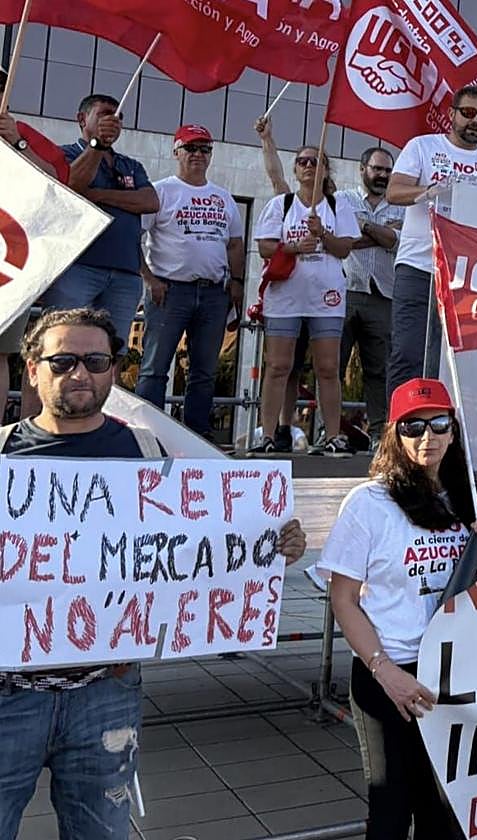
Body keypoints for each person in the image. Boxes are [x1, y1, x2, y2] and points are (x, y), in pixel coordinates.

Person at [0, 307, 306, 837]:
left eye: (96, 361)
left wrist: (270, 542)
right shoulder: (2, 452)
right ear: (32, 369)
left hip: (107, 691)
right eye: (63, 360)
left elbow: (199, 542)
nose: (80, 374)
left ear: (114, 369)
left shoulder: (148, 452)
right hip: (8, 695)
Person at [319, 377, 477, 839]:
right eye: (412, 427)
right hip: (387, 671)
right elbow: (343, 598)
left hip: (451, 674)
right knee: (391, 811)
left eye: (438, 423)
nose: (427, 437)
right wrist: (385, 670)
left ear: (454, 431)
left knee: (444, 813)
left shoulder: (469, 500)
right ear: (394, 434)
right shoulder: (369, 503)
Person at [385, 85, 477, 393]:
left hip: (469, 273)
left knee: (456, 359)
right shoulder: (423, 147)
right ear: (451, 115)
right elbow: (394, 191)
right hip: (420, 266)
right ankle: (398, 433)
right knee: (409, 352)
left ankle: (445, 431)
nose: (475, 122)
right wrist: (428, 192)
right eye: (467, 113)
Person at [135, 124, 244, 438]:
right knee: (155, 367)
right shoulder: (161, 191)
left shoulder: (223, 197)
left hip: (213, 292)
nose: (197, 154)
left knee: (204, 371)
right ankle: (150, 433)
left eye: (204, 149)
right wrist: (150, 279)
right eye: (191, 148)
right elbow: (136, 237)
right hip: (170, 290)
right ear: (176, 152)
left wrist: (236, 283)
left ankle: (197, 433)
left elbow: (235, 243)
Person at [251, 144, 357, 455]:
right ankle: (267, 435)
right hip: (285, 296)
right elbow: (265, 247)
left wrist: (323, 234)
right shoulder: (281, 205)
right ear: (295, 169)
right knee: (278, 366)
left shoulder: (339, 207)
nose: (309, 166)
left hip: (326, 297)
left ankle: (333, 435)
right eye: (302, 162)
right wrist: (296, 247)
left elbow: (344, 249)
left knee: (327, 367)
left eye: (316, 161)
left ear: (325, 170)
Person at [47, 94, 159, 352]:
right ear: (82, 119)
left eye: (118, 116)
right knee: (62, 347)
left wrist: (97, 195)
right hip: (76, 269)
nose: (113, 121)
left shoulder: (130, 165)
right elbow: (71, 185)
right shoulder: (63, 154)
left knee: (111, 353)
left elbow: (150, 201)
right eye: (104, 114)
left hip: (125, 273)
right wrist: (96, 146)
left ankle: (106, 394)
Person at [0, 95, 69, 417]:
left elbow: (57, 181)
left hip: (9, 261)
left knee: (1, 352)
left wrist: (18, 143)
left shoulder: (21, 131)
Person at [339, 146, 405, 450]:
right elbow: (341, 242)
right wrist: (378, 232)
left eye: (387, 171)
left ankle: (379, 433)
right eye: (377, 169)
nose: (383, 175)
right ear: (362, 169)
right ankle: (329, 432)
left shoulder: (401, 207)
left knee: (379, 370)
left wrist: (362, 224)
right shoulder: (342, 201)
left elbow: (396, 242)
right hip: (345, 292)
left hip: (384, 295)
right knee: (332, 367)